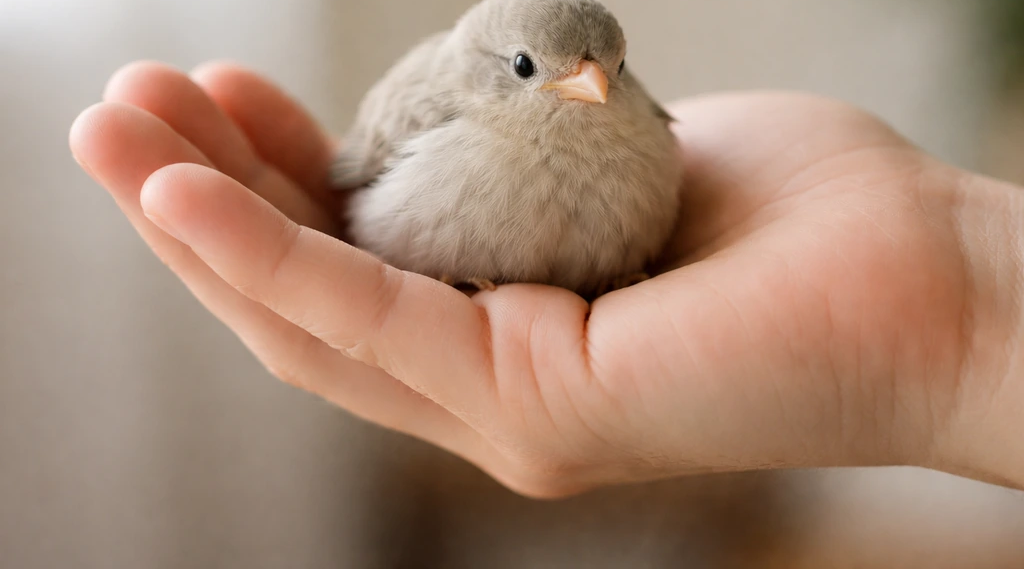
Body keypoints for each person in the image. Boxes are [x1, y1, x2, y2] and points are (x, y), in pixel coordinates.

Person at [69, 61, 1024, 497]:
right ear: (497, 69)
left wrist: (960, 295)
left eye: (606, 69)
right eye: (546, 72)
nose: (589, 89)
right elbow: (355, 182)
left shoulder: (642, 126)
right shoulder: (433, 106)